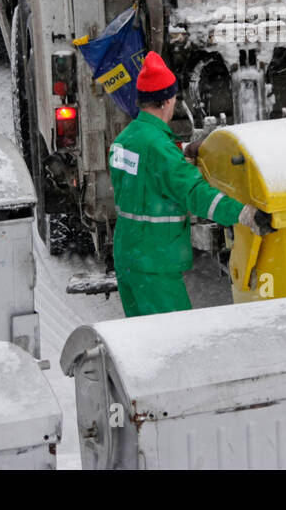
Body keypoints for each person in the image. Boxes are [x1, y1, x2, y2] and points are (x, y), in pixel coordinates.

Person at [109, 51, 274, 316]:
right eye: (173, 97)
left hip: (128, 258)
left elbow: (146, 170)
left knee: (142, 343)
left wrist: (183, 150)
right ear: (165, 101)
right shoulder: (159, 149)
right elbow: (195, 194)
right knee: (175, 342)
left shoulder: (124, 140)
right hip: (156, 263)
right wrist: (245, 213)